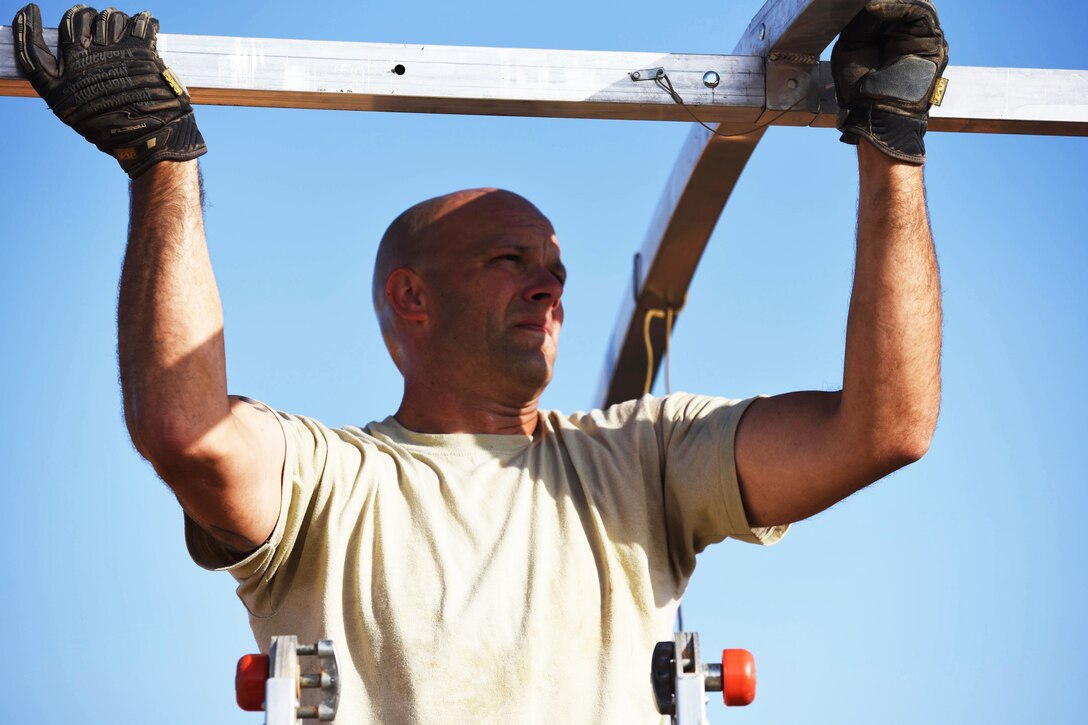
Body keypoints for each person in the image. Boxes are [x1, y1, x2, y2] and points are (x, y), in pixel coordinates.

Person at [13, 1, 948, 722]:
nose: (550, 290)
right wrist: (160, 163)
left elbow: (885, 429)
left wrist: (891, 149)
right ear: (410, 298)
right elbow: (187, 429)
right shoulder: (334, 485)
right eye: (511, 262)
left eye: (556, 271)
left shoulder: (644, 460)